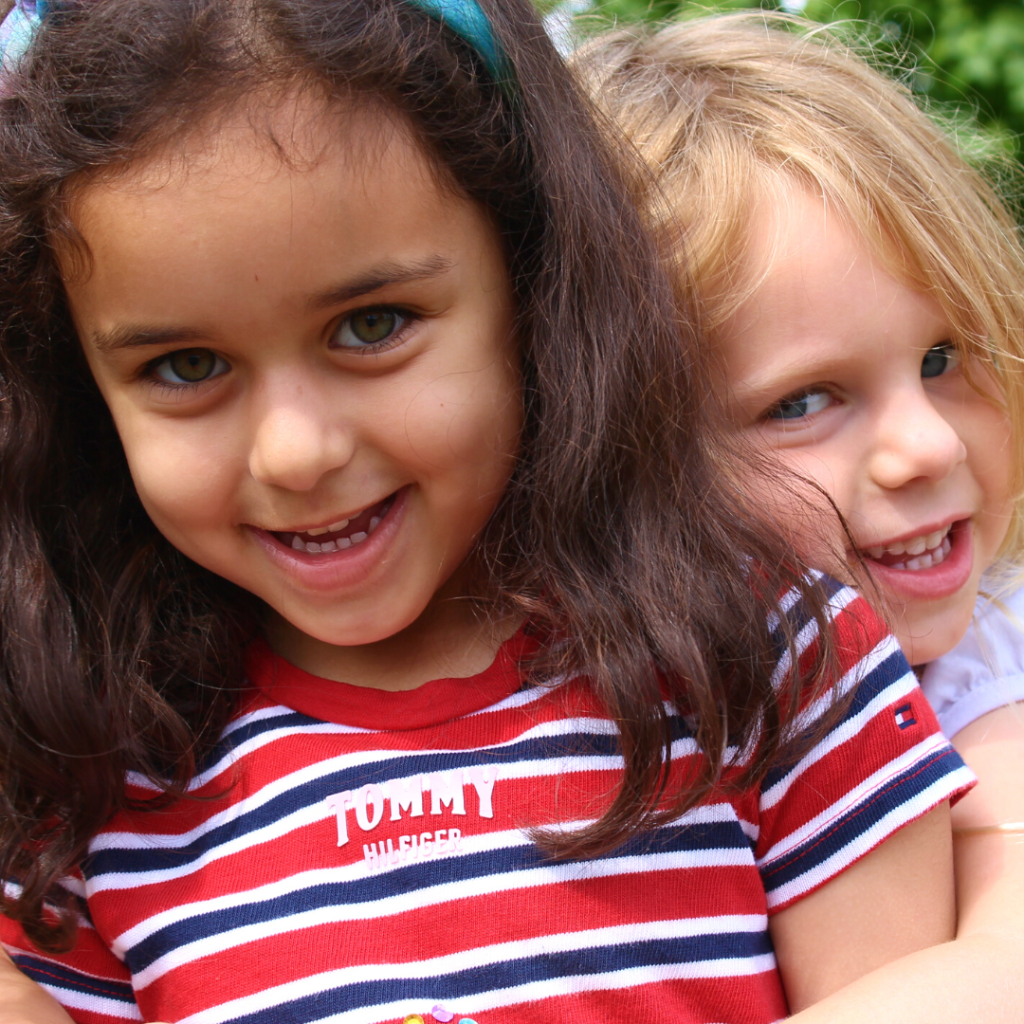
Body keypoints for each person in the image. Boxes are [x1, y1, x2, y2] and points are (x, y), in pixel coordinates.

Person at [0, 1, 972, 1022]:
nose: (295, 452)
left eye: (371, 326)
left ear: (533, 278)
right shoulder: (91, 802)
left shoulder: (772, 662)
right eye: (185, 366)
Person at [574, 13, 1024, 1022]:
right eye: (803, 400)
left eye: (943, 359)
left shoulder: (990, 675)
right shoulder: (599, 702)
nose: (931, 448)